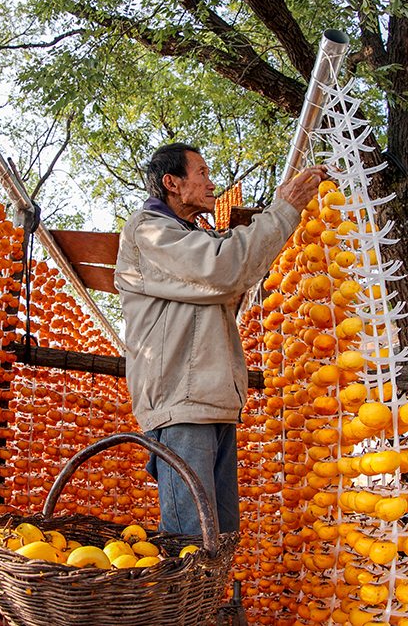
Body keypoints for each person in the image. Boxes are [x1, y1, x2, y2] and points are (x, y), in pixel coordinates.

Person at [114, 142, 327, 536]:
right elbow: (224, 269)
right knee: (191, 540)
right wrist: (285, 210)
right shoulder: (149, 231)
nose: (212, 184)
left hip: (209, 403)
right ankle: (184, 600)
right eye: (202, 173)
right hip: (182, 403)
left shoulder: (188, 235)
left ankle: (208, 600)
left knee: (222, 534)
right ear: (172, 183)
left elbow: (229, 275)